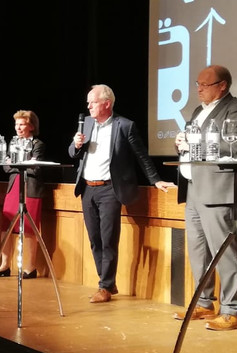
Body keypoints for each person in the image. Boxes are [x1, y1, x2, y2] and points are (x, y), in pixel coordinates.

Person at [70, 85, 174, 302]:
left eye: (93, 102)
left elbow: (141, 156)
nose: (88, 106)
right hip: (87, 188)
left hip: (110, 189)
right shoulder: (86, 123)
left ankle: (105, 287)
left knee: (108, 239)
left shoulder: (125, 126)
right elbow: (72, 153)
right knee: (94, 239)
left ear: (106, 103)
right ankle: (106, 282)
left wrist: (155, 180)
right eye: (88, 102)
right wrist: (76, 145)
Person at [174, 65, 237, 330]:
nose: (199, 89)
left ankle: (231, 310)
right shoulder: (198, 111)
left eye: (205, 85)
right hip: (193, 188)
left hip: (218, 190)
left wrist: (194, 143)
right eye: (197, 83)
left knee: (225, 252)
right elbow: (193, 146)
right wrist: (182, 143)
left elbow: (236, 146)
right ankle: (204, 303)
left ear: (222, 86)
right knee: (198, 252)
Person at [0, 110, 45, 279]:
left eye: (22, 124)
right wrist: (22, 165)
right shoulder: (13, 142)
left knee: (29, 227)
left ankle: (30, 268)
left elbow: (36, 169)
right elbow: (5, 166)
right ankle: (4, 265)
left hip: (30, 188)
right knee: (6, 227)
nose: (18, 128)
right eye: (16, 124)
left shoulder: (38, 144)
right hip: (14, 186)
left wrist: (15, 164)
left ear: (31, 126)